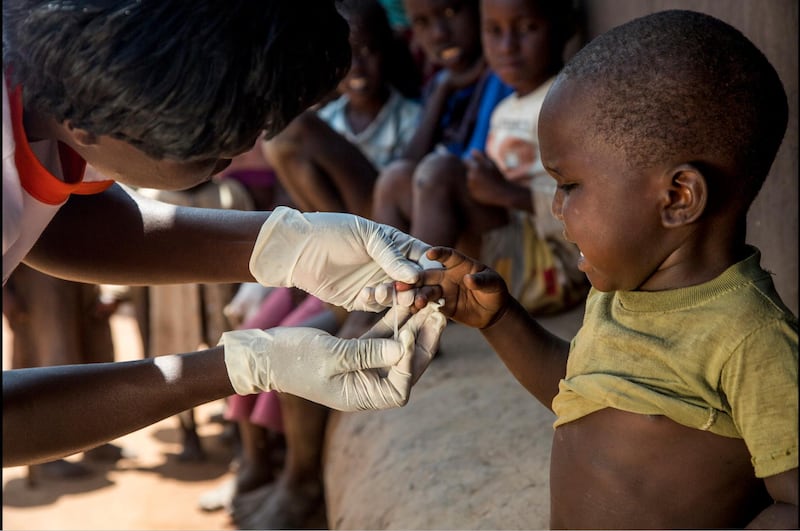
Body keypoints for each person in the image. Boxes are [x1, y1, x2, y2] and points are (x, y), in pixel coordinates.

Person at [2, 0, 446, 470]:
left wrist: (288, 245)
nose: (245, 147)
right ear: (88, 122)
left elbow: (63, 219)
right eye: (217, 141)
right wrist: (248, 365)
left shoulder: (61, 90)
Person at [415, 9, 797, 529]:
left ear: (678, 198)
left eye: (569, 185)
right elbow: (580, 395)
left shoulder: (751, 338)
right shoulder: (617, 294)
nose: (554, 207)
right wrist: (500, 320)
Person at [373, 0, 588, 317]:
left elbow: (593, 204)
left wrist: (507, 194)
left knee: (440, 171)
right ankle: (380, 305)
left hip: (550, 268)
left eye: (527, 29)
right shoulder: (505, 108)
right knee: (396, 180)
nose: (507, 47)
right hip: (508, 248)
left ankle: (404, 314)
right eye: (494, 31)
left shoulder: (568, 104)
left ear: (565, 27)